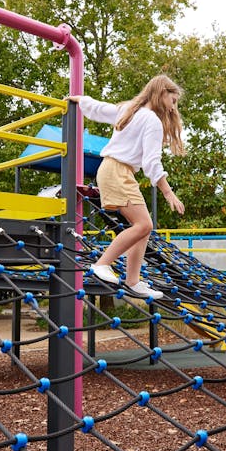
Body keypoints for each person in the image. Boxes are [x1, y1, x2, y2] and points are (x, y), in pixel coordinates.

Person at [67, 75, 185, 299]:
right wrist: (168, 192)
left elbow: (101, 109)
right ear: (161, 93)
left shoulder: (130, 109)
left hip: (115, 170)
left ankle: (132, 280)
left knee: (143, 227)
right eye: (173, 99)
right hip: (118, 171)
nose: (173, 106)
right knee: (143, 224)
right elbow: (152, 161)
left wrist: (81, 100)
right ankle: (101, 264)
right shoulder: (151, 120)